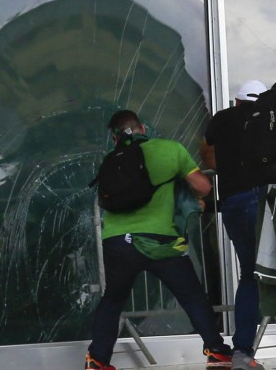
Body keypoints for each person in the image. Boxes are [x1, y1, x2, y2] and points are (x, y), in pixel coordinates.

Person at [85, 110, 232, 370]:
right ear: (142, 127)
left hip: (117, 241)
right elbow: (203, 187)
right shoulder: (169, 149)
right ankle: (216, 350)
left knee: (113, 300)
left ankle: (97, 360)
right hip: (160, 241)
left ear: (114, 138)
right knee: (192, 296)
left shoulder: (111, 160)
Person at [200, 80, 268, 370]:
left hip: (232, 202)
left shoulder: (221, 118)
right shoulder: (266, 118)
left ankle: (241, 352)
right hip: (260, 198)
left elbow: (206, 150)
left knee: (248, 275)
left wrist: (226, 166)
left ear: (237, 101)